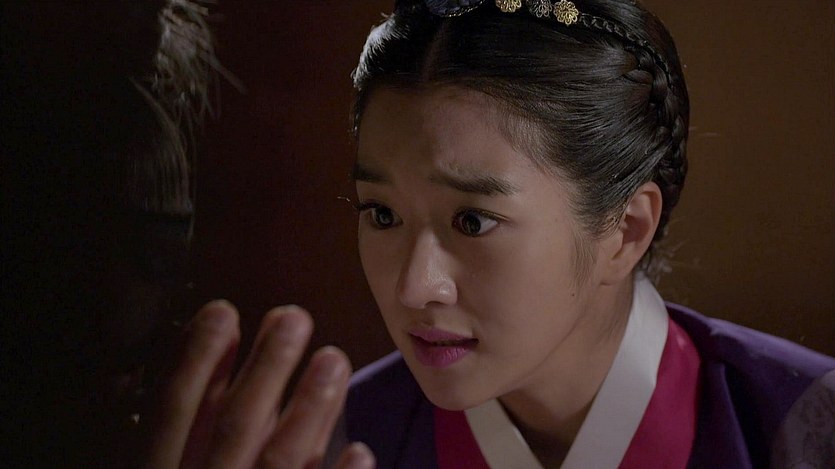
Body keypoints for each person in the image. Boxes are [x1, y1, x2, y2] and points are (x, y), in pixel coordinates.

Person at [323, 0, 835, 467]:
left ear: (625, 230)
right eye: (382, 215)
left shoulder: (809, 429)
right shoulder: (337, 440)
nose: (414, 287)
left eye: (473, 221)